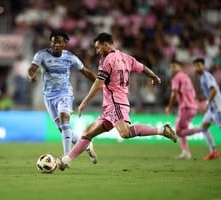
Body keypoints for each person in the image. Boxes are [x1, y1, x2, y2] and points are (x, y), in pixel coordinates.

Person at [56, 32, 177, 170]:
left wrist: (84, 102)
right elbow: (142, 67)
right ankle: (64, 161)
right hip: (112, 106)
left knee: (125, 133)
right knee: (87, 132)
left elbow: (98, 83)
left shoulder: (107, 60)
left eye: (98, 47)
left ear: (106, 45)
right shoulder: (126, 58)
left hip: (116, 103)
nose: (97, 51)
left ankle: (162, 130)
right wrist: (154, 77)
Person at [27, 30, 97, 163]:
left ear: (65, 43)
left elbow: (85, 71)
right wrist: (31, 76)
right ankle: (86, 144)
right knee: (63, 128)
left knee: (64, 119)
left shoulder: (70, 57)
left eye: (59, 42)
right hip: (48, 96)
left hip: (65, 93)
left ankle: (66, 157)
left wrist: (99, 82)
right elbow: (32, 68)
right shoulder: (41, 55)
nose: (56, 45)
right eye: (54, 42)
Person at [176, 58, 220, 160]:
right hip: (211, 109)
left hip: (218, 108)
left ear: (203, 66)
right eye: (195, 66)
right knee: (203, 128)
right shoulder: (202, 78)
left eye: (199, 65)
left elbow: (214, 89)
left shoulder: (206, 76)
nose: (197, 67)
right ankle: (214, 151)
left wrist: (208, 102)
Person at [164, 60, 200, 159]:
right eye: (171, 67)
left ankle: (201, 129)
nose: (172, 69)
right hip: (193, 107)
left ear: (180, 67)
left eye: (174, 66)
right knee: (182, 130)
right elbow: (193, 93)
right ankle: (186, 152)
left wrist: (169, 107)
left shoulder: (176, 77)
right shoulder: (186, 77)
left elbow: (174, 93)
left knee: (178, 132)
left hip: (185, 107)